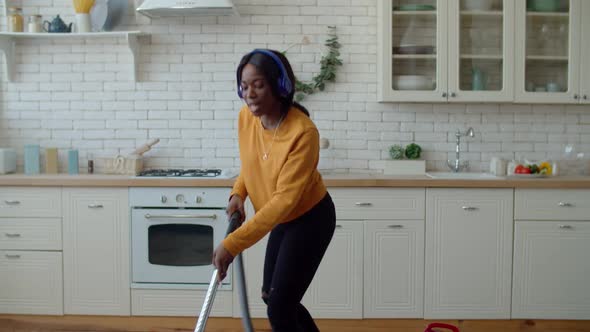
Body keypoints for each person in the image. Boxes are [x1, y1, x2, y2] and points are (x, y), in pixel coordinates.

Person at [212, 48, 336, 332]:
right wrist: (238, 194)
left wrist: (232, 244)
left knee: (280, 306)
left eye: (258, 85)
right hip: (282, 218)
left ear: (279, 85)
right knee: (273, 297)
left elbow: (285, 200)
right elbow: (251, 163)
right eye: (244, 86)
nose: (250, 93)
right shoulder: (246, 118)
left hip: (310, 219)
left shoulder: (303, 132)